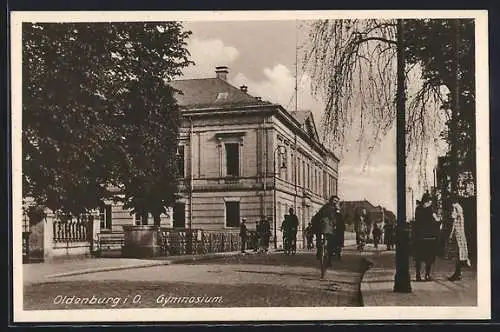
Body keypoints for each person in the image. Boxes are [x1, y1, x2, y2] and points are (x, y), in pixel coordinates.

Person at [413, 193, 440, 282]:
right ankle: (427, 275)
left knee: (418, 256)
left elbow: (416, 220)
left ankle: (418, 275)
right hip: (429, 236)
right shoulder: (430, 209)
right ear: (428, 201)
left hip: (419, 236)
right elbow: (436, 220)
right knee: (429, 256)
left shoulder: (418, 209)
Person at [447, 195, 471, 281]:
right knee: (460, 252)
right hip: (461, 232)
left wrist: (451, 233)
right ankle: (458, 273)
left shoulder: (455, 207)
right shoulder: (460, 207)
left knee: (457, 254)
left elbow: (454, 221)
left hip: (457, 232)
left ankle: (457, 273)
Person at [311, 195, 340, 266]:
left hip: (324, 226)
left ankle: (322, 254)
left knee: (327, 242)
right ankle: (326, 255)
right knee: (330, 242)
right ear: (331, 200)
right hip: (324, 226)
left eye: (336, 201)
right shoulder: (329, 208)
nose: (335, 202)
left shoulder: (329, 207)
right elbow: (335, 219)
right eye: (334, 200)